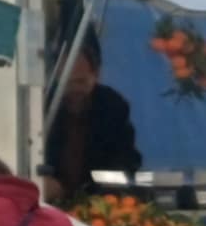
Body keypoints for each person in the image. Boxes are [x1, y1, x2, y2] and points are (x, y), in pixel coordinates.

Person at [41, 37, 141, 205]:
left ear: (96, 75)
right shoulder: (43, 105)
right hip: (49, 205)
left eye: (81, 81)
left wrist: (107, 189)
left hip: (98, 205)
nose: (74, 89)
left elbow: (125, 159)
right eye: (67, 83)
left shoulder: (112, 107)